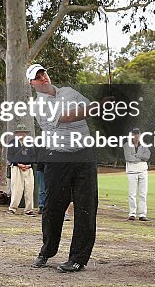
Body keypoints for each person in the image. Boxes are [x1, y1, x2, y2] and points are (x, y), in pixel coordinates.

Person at [26, 63, 97, 273]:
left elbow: (88, 109)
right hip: (57, 157)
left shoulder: (69, 92)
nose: (43, 78)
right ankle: (47, 251)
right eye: (38, 77)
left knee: (86, 208)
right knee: (52, 207)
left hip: (84, 154)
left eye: (44, 73)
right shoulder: (39, 105)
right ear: (32, 84)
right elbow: (67, 117)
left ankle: (78, 258)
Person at [7, 122, 36, 215]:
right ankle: (13, 208)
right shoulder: (12, 143)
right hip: (16, 168)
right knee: (16, 188)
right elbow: (9, 157)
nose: (21, 134)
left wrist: (29, 165)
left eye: (23, 132)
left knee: (29, 188)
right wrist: (18, 164)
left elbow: (33, 156)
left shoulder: (30, 143)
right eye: (19, 132)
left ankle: (29, 209)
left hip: (28, 168)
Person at [124, 127, 151, 221]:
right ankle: (132, 213)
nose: (136, 136)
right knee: (132, 193)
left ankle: (142, 214)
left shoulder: (143, 145)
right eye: (134, 134)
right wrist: (140, 157)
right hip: (132, 171)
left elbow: (147, 156)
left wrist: (136, 155)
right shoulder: (127, 145)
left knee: (143, 194)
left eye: (138, 134)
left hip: (143, 171)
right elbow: (128, 158)